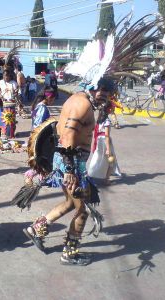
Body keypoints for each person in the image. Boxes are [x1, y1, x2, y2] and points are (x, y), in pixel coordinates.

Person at [23, 77, 115, 265]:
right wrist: (70, 170)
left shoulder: (80, 99)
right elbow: (68, 134)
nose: (103, 97)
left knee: (70, 203)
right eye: (102, 92)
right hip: (71, 162)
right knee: (83, 209)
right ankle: (69, 253)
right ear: (93, 86)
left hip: (72, 161)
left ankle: (36, 229)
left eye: (107, 94)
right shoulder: (82, 104)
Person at [87, 105, 121, 183]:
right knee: (111, 161)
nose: (113, 110)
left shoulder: (99, 120)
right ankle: (107, 179)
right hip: (105, 142)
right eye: (112, 109)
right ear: (108, 110)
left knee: (98, 158)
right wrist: (108, 149)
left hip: (99, 141)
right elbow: (107, 136)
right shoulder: (107, 121)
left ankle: (90, 175)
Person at [0, 70, 19, 140]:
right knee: (4, 119)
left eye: (7, 76)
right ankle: (4, 134)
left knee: (11, 119)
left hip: (12, 104)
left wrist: (15, 94)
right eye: (4, 76)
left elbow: (16, 92)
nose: (6, 77)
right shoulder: (0, 83)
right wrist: (0, 95)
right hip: (3, 104)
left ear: (10, 76)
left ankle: (11, 134)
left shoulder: (14, 83)